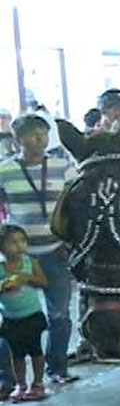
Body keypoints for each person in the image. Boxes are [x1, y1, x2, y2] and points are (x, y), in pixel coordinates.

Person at [0, 115, 77, 384]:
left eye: (44, 134)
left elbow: (75, 209)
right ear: (18, 139)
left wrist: (70, 243)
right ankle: (11, 379)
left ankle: (57, 368)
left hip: (56, 252)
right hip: (18, 257)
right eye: (33, 135)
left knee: (60, 314)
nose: (40, 140)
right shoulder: (5, 171)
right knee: (15, 316)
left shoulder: (64, 168)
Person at [0, 224, 50, 402]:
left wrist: (27, 278)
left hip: (32, 315)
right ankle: (20, 384)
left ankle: (37, 383)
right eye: (13, 242)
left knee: (36, 352)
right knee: (17, 355)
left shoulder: (31, 263)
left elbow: (44, 282)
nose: (19, 246)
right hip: (11, 319)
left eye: (22, 241)